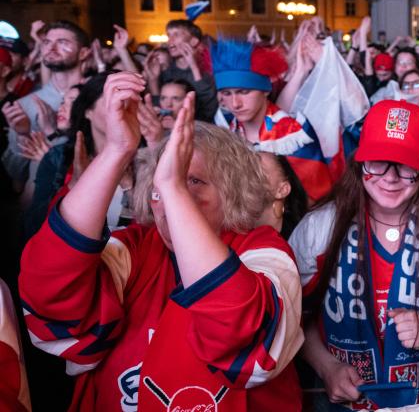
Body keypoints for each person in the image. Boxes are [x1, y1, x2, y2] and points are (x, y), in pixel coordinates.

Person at [19, 75, 304, 411]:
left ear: (232, 192)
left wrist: (173, 186)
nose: (169, 199)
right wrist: (116, 150)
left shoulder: (263, 251)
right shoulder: (138, 246)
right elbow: (49, 293)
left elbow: (241, 336)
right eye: (162, 183)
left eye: (193, 181)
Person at [289, 100, 419, 410]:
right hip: (340, 398)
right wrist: (327, 368)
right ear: (359, 163)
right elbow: (293, 315)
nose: (390, 177)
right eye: (377, 162)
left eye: (405, 165)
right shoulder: (320, 228)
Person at [212, 39, 332, 202]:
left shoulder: (294, 135)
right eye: (226, 93)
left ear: (265, 91)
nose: (235, 104)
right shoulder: (224, 128)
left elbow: (317, 198)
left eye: (244, 92)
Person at [3, 21, 90, 192]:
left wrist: (54, 134)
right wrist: (21, 136)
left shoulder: (96, 98)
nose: (51, 48)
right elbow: (16, 176)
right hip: (38, 207)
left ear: (84, 52)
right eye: (47, 42)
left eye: (63, 42)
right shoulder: (25, 104)